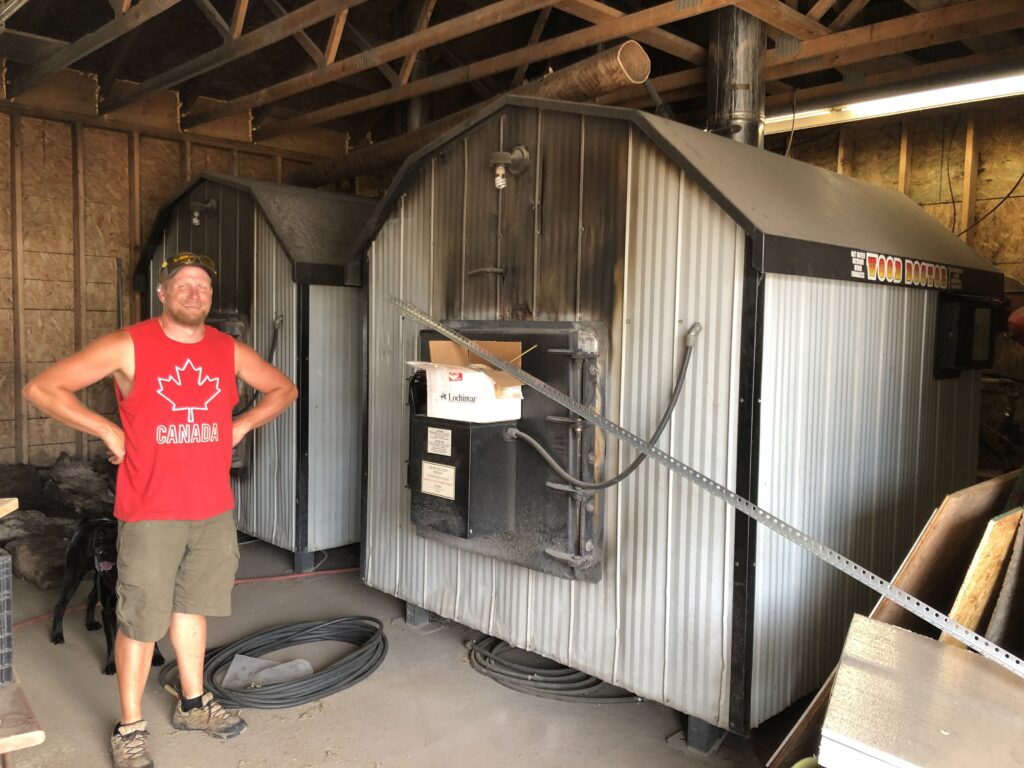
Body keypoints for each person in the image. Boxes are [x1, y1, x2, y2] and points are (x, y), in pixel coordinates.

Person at [23, 251, 298, 768]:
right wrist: (107, 429)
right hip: (150, 510)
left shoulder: (227, 349)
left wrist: (241, 425)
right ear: (163, 293)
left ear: (209, 298)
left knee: (191, 607)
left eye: (203, 286)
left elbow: (284, 389)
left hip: (212, 509)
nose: (194, 292)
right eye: (184, 284)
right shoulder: (129, 344)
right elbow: (43, 387)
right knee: (140, 621)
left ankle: (193, 704)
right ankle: (130, 726)